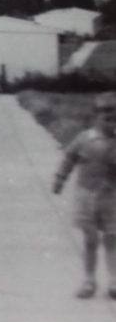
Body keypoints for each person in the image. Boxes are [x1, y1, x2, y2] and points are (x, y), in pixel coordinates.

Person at [53, 92, 116, 299]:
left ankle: (114, 281)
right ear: (95, 117)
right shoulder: (84, 138)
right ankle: (89, 280)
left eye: (114, 117)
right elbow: (69, 158)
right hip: (86, 195)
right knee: (90, 240)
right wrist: (60, 178)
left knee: (112, 238)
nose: (110, 121)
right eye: (106, 117)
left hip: (112, 196)